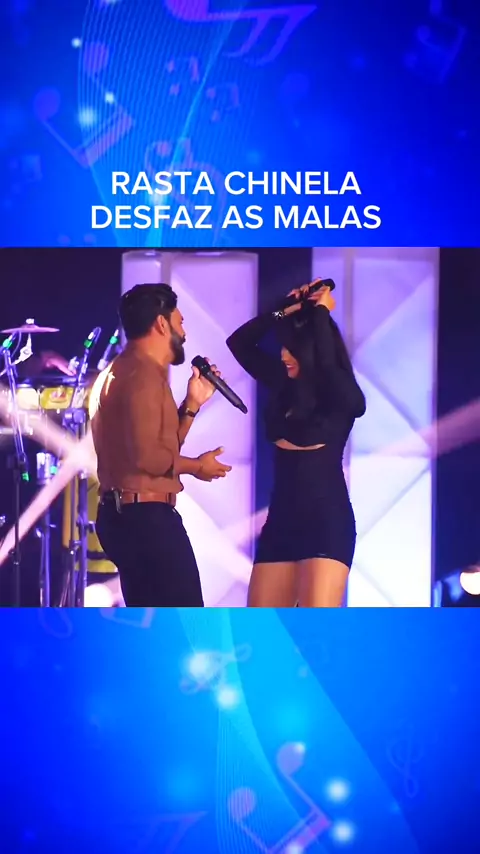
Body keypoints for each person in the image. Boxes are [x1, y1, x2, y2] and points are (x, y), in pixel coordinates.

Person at [90, 283, 232, 607]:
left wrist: (191, 405)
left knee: (156, 621)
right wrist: (197, 466)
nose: (185, 333)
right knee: (185, 622)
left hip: (124, 516)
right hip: (147, 520)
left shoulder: (118, 371)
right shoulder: (142, 376)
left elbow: (158, 450)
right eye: (180, 322)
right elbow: (150, 458)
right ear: (161, 324)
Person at [226, 280, 366, 608]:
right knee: (261, 629)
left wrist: (320, 314)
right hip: (280, 525)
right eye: (282, 347)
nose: (283, 355)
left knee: (314, 629)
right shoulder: (282, 383)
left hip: (326, 524)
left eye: (292, 348)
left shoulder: (340, 395)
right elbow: (239, 343)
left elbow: (331, 371)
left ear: (312, 348)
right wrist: (287, 311)